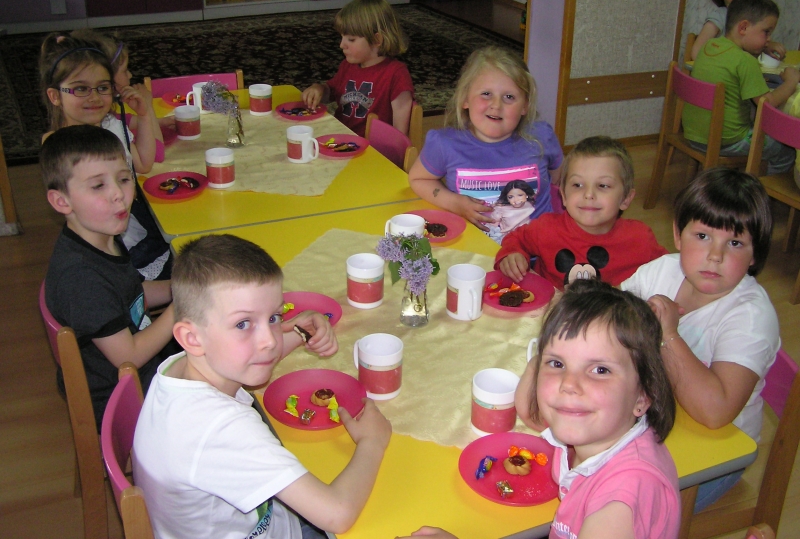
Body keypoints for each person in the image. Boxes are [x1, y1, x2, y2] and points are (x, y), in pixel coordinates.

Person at [133, 234, 392, 539]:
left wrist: (299, 333)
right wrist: (372, 441)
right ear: (191, 337)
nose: (269, 340)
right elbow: (336, 515)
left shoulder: (180, 367)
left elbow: (240, 361)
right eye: (243, 324)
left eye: (273, 317)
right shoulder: (222, 429)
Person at [399, 281, 680, 539]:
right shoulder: (595, 431)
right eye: (557, 364)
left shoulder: (618, 506)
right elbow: (531, 410)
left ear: (644, 395)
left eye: (600, 370)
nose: (568, 384)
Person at [622, 168, 779, 511]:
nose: (715, 255)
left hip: (713, 460)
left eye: (734, 243)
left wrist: (667, 335)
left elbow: (715, 412)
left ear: (755, 254)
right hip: (653, 420)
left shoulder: (751, 316)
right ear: (678, 235)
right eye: (703, 236)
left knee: (625, 514)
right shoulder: (661, 270)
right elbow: (610, 323)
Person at [41, 125, 177, 431]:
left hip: (140, 374)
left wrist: (177, 288)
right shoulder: (81, 278)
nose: (119, 194)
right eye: (98, 186)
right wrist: (182, 307)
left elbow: (130, 293)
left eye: (124, 179)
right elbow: (129, 356)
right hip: (124, 403)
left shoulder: (102, 237)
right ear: (62, 201)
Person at [39, 32, 173, 281]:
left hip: (134, 221)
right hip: (112, 240)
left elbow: (143, 163)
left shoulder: (112, 124)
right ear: (55, 96)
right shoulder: (58, 145)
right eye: (80, 89)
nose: (94, 97)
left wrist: (144, 115)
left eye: (102, 87)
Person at [408, 45, 563, 238]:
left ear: (525, 105)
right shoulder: (444, 144)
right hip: (474, 251)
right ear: (465, 99)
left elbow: (557, 178)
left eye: (509, 97)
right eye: (486, 94)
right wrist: (454, 203)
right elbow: (419, 179)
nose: (496, 105)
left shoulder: (541, 137)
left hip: (537, 250)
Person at [495, 136, 667, 289]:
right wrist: (512, 255)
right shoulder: (546, 228)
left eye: (603, 186)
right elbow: (516, 239)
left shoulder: (640, 239)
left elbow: (669, 271)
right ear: (563, 195)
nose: (588, 194)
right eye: (577, 185)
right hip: (550, 311)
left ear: (626, 199)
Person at [683, 0, 800, 176]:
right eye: (766, 32)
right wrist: (791, 81)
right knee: (785, 151)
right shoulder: (745, 62)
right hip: (727, 142)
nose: (769, 39)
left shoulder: (709, 47)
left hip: (694, 135)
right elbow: (766, 104)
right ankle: (755, 188)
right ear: (743, 27)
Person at [302, 0, 414, 136]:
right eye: (342, 37)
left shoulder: (396, 74)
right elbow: (332, 92)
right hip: (341, 139)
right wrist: (319, 89)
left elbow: (399, 134)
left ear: (376, 39)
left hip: (372, 147)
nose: (341, 45)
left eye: (351, 39)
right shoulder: (348, 66)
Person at [70, 28, 167, 162]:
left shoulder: (109, 120)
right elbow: (157, 155)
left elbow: (124, 119)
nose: (130, 75)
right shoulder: (109, 129)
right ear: (109, 77)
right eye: (125, 70)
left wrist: (159, 120)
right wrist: (148, 108)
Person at [487, 179, 535, 244]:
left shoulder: (528, 204)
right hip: (508, 238)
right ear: (507, 198)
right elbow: (492, 222)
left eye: (520, 195)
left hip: (526, 235)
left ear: (526, 195)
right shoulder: (502, 209)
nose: (516, 200)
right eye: (511, 197)